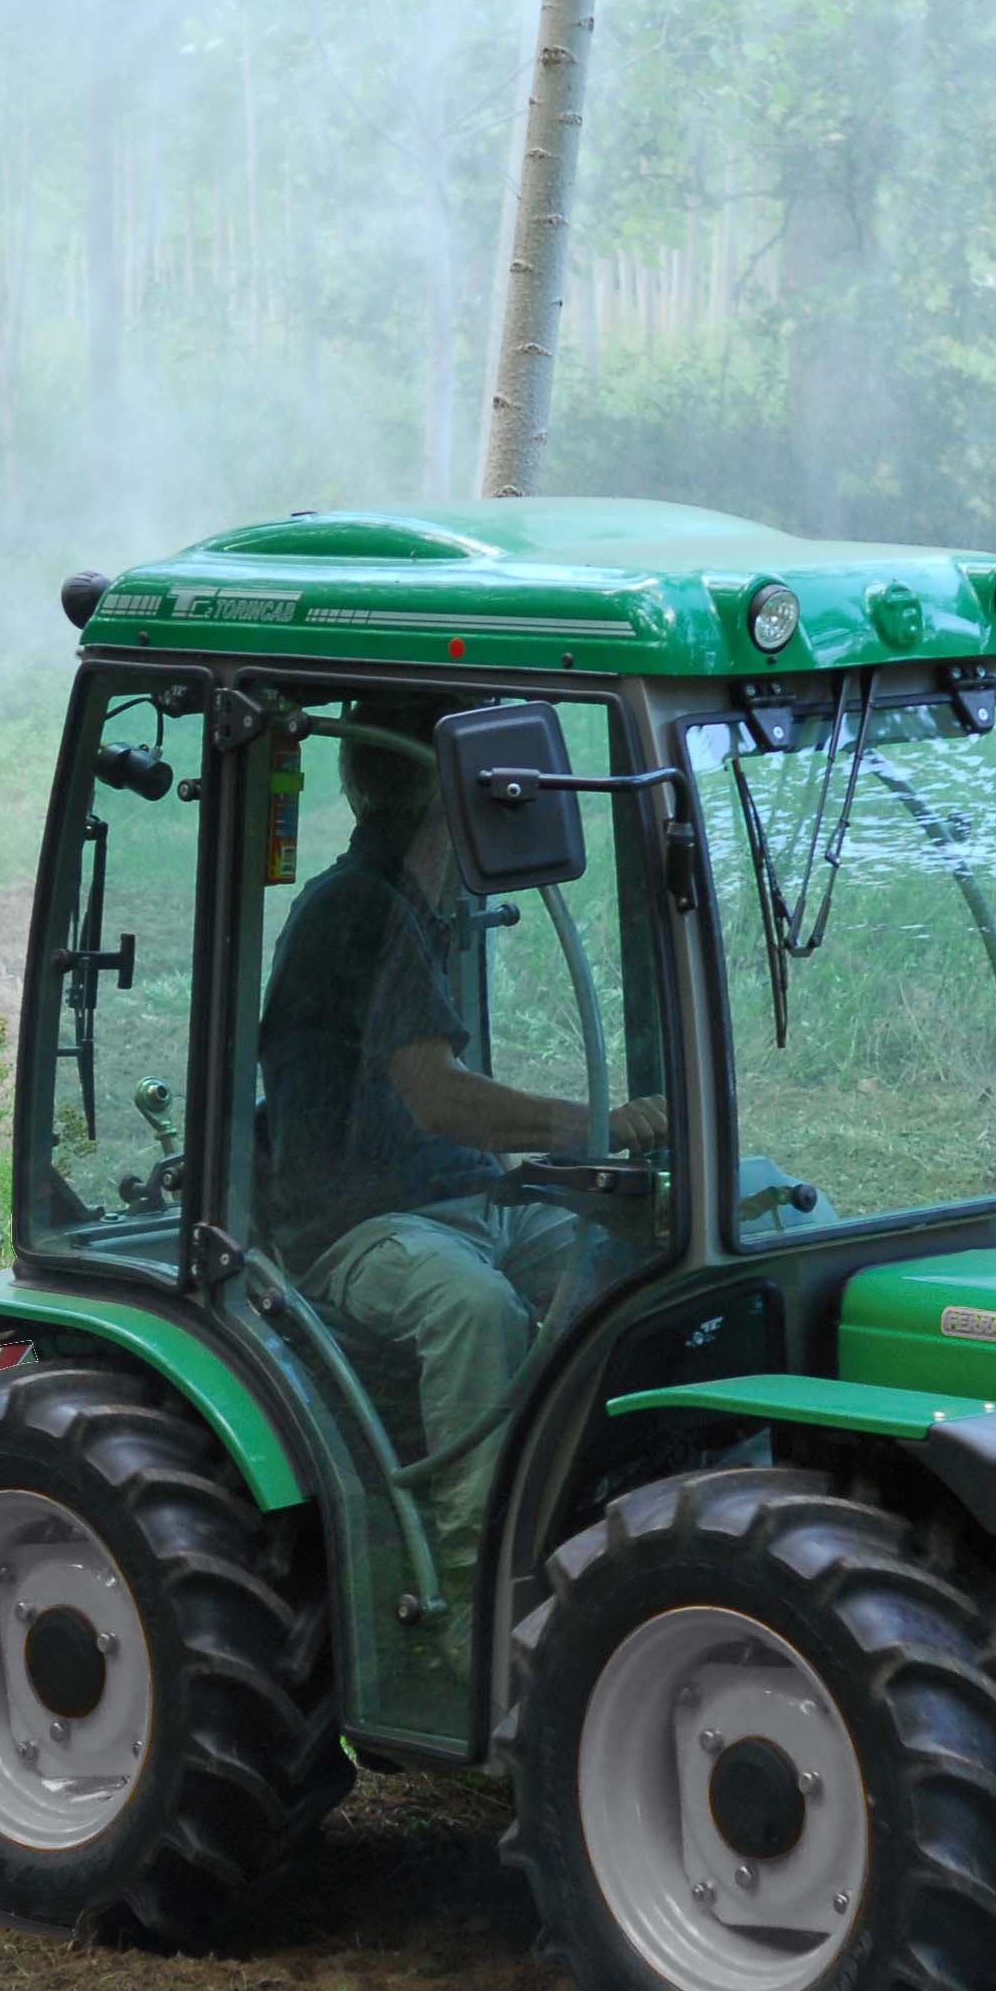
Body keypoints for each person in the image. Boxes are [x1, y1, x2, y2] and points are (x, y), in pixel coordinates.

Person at [256, 697, 660, 1663]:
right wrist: (593, 1121)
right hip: (356, 1226)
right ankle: (475, 1623)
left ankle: (614, 1535)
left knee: (632, 1257)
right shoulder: (355, 910)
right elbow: (437, 1098)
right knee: (473, 1310)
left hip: (466, 1201)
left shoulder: (426, 906)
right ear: (458, 788)